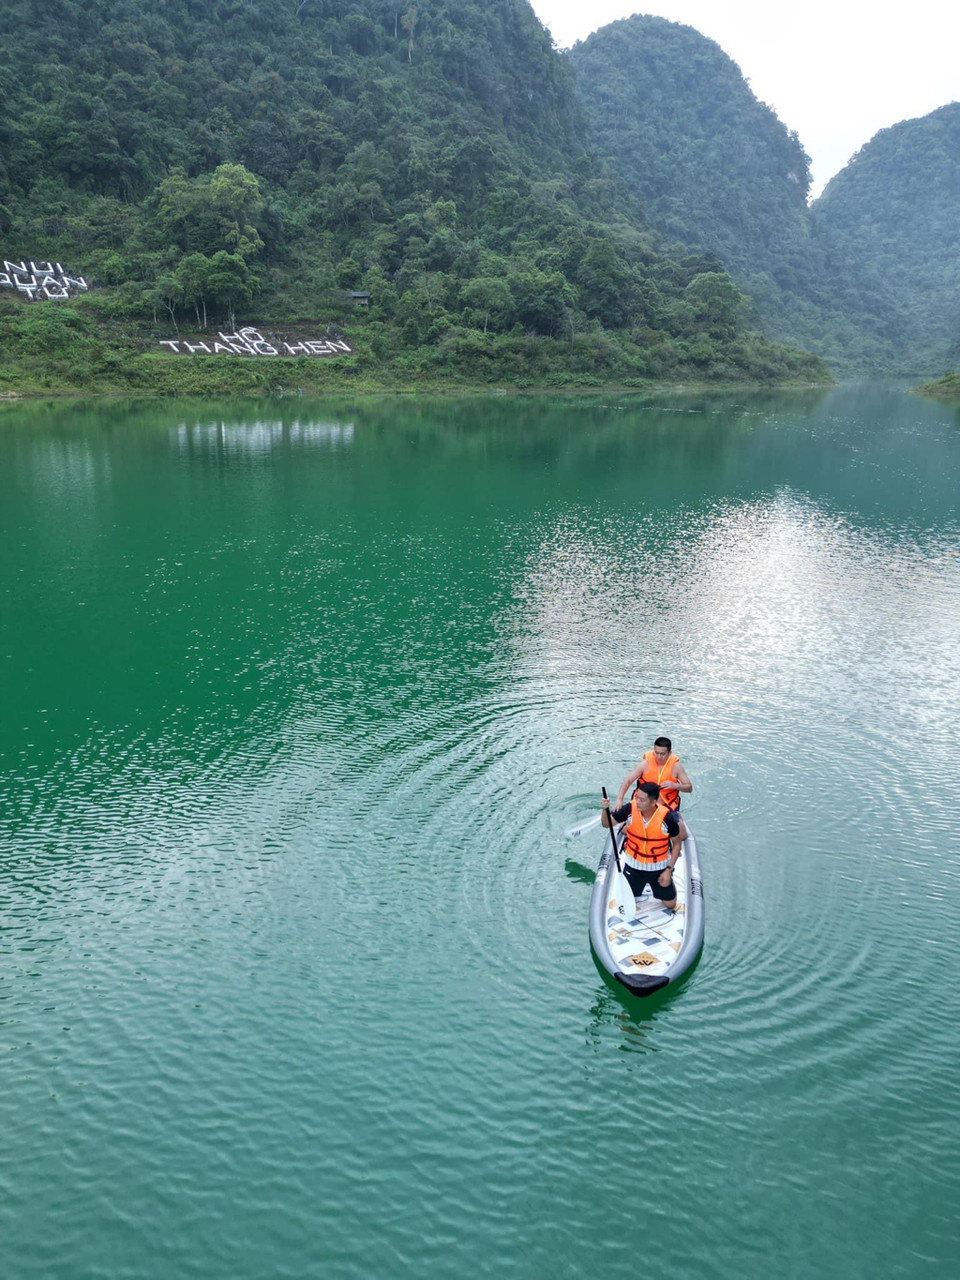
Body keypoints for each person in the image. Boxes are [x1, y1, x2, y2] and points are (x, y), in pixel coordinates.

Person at [601, 781, 687, 910]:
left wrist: (669, 869)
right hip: (634, 866)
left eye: (641, 799)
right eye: (636, 797)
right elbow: (606, 824)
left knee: (670, 904)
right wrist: (605, 809)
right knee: (629, 897)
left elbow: (676, 844)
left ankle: (669, 883)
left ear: (653, 803)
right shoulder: (630, 809)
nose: (637, 802)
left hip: (659, 867)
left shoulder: (667, 819)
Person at [616, 736, 692, 810]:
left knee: (677, 822)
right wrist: (619, 800)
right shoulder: (645, 764)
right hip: (642, 803)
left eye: (662, 754)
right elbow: (628, 780)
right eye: (656, 753)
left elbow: (689, 788)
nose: (659, 757)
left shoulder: (676, 767)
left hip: (667, 805)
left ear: (669, 753)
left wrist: (675, 785)